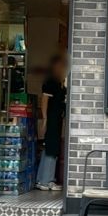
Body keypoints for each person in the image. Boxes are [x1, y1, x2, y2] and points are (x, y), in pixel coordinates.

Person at [36, 54, 67, 191]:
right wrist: (45, 119)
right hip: (52, 118)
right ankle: (46, 180)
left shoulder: (60, 82)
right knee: (52, 147)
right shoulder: (51, 81)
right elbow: (44, 100)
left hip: (57, 118)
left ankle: (42, 179)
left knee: (50, 148)